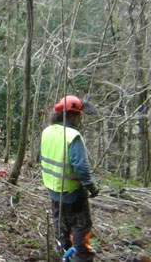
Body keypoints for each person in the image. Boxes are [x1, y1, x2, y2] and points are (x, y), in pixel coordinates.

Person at [40, 95, 99, 262]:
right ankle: (82, 257)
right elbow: (80, 166)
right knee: (81, 226)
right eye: (79, 115)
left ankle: (63, 254)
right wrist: (91, 185)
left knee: (60, 224)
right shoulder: (72, 135)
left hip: (53, 189)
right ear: (72, 115)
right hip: (72, 191)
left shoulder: (47, 131)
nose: (80, 119)